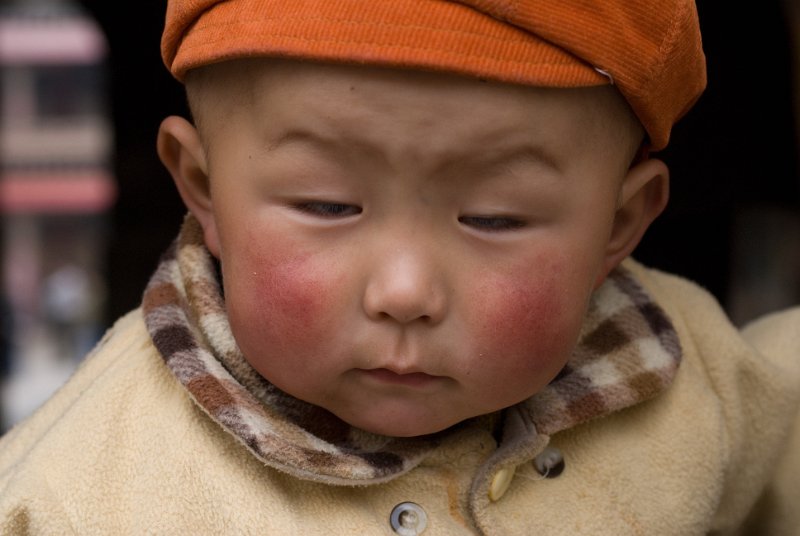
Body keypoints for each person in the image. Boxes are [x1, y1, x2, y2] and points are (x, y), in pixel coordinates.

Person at [1, 1, 799, 534]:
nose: (405, 292)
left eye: (494, 218)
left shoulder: (703, 385)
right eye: (327, 205)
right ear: (204, 187)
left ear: (620, 225)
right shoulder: (82, 492)